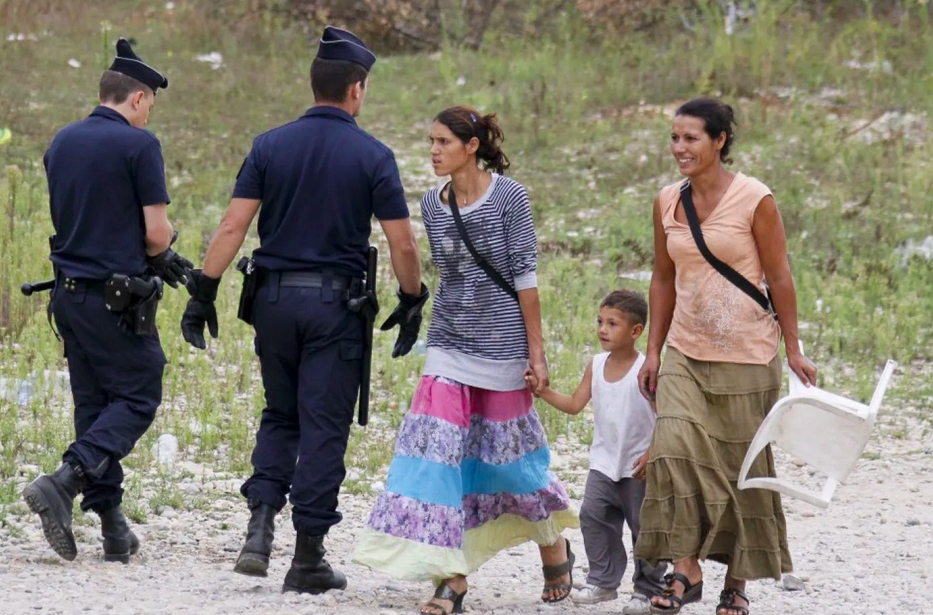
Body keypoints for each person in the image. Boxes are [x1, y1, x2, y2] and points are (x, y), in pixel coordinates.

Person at [179, 26, 425, 594]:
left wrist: (203, 291)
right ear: (356, 88)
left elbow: (233, 225)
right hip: (335, 308)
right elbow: (403, 243)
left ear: (314, 84)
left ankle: (259, 528)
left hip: (272, 302)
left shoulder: (269, 145)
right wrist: (412, 299)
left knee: (280, 414)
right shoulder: (373, 155)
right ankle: (308, 555)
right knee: (323, 426)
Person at [353, 105, 578, 615]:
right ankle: (450, 579)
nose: (433, 152)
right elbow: (450, 277)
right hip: (448, 344)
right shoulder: (432, 204)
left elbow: (525, 277)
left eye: (444, 142)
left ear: (472, 146)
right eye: (431, 142)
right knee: (436, 459)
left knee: (512, 463)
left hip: (504, 347)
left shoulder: (509, 197)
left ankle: (552, 542)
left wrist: (537, 353)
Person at [634, 98, 818, 615]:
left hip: (747, 354)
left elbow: (779, 276)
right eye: (674, 138)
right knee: (674, 450)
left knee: (744, 469)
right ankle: (685, 569)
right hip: (685, 350)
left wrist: (793, 347)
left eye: (691, 138)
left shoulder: (755, 199)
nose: (679, 148)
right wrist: (653, 350)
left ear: (719, 141)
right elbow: (662, 277)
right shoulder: (667, 200)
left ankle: (736, 583)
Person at [23, 38, 192, 563]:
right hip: (113, 300)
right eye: (150, 106)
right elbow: (156, 234)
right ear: (138, 98)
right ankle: (65, 479)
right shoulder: (140, 146)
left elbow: (88, 213)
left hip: (67, 297)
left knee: (94, 406)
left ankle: (114, 527)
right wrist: (163, 250)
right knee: (139, 393)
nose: (148, 116)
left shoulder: (62, 141)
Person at [526, 289, 667, 615]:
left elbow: (665, 417)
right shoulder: (596, 364)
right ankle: (603, 580)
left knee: (644, 527)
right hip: (604, 462)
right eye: (600, 321)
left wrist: (653, 452)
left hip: (639, 465)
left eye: (612, 324)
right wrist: (543, 391)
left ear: (636, 331)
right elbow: (575, 404)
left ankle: (649, 589)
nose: (603, 329)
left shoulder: (647, 369)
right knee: (593, 517)